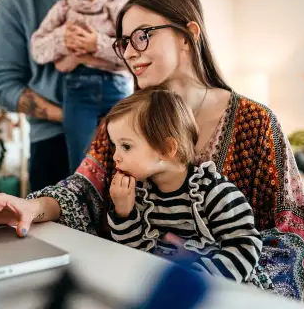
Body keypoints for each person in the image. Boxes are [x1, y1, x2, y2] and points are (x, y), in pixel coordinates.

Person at [0, 0, 304, 300]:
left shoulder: (256, 122)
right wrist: (29, 208)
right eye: (124, 42)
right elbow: (86, 189)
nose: (130, 53)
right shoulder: (126, 118)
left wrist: (215, 291)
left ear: (188, 35)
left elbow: (290, 235)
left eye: (142, 36)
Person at [0, 0, 140, 192]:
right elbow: (4, 85)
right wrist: (74, 115)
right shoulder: (12, 3)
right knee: (57, 227)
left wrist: (96, 47)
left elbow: (143, 51)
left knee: (120, 220)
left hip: (121, 127)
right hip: (50, 140)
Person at [105, 86, 270, 288]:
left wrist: (196, 277)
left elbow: (246, 245)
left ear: (166, 149)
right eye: (115, 146)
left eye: (126, 146)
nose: (115, 156)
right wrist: (124, 210)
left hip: (218, 289)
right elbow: (133, 250)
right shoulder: (141, 193)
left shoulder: (213, 192)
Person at [30, 0, 133, 172]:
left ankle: (121, 206)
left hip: (116, 89)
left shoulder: (119, 5)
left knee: (124, 158)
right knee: (81, 163)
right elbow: (37, 48)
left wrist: (96, 43)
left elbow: (133, 51)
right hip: (77, 92)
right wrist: (63, 39)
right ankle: (85, 205)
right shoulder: (63, 8)